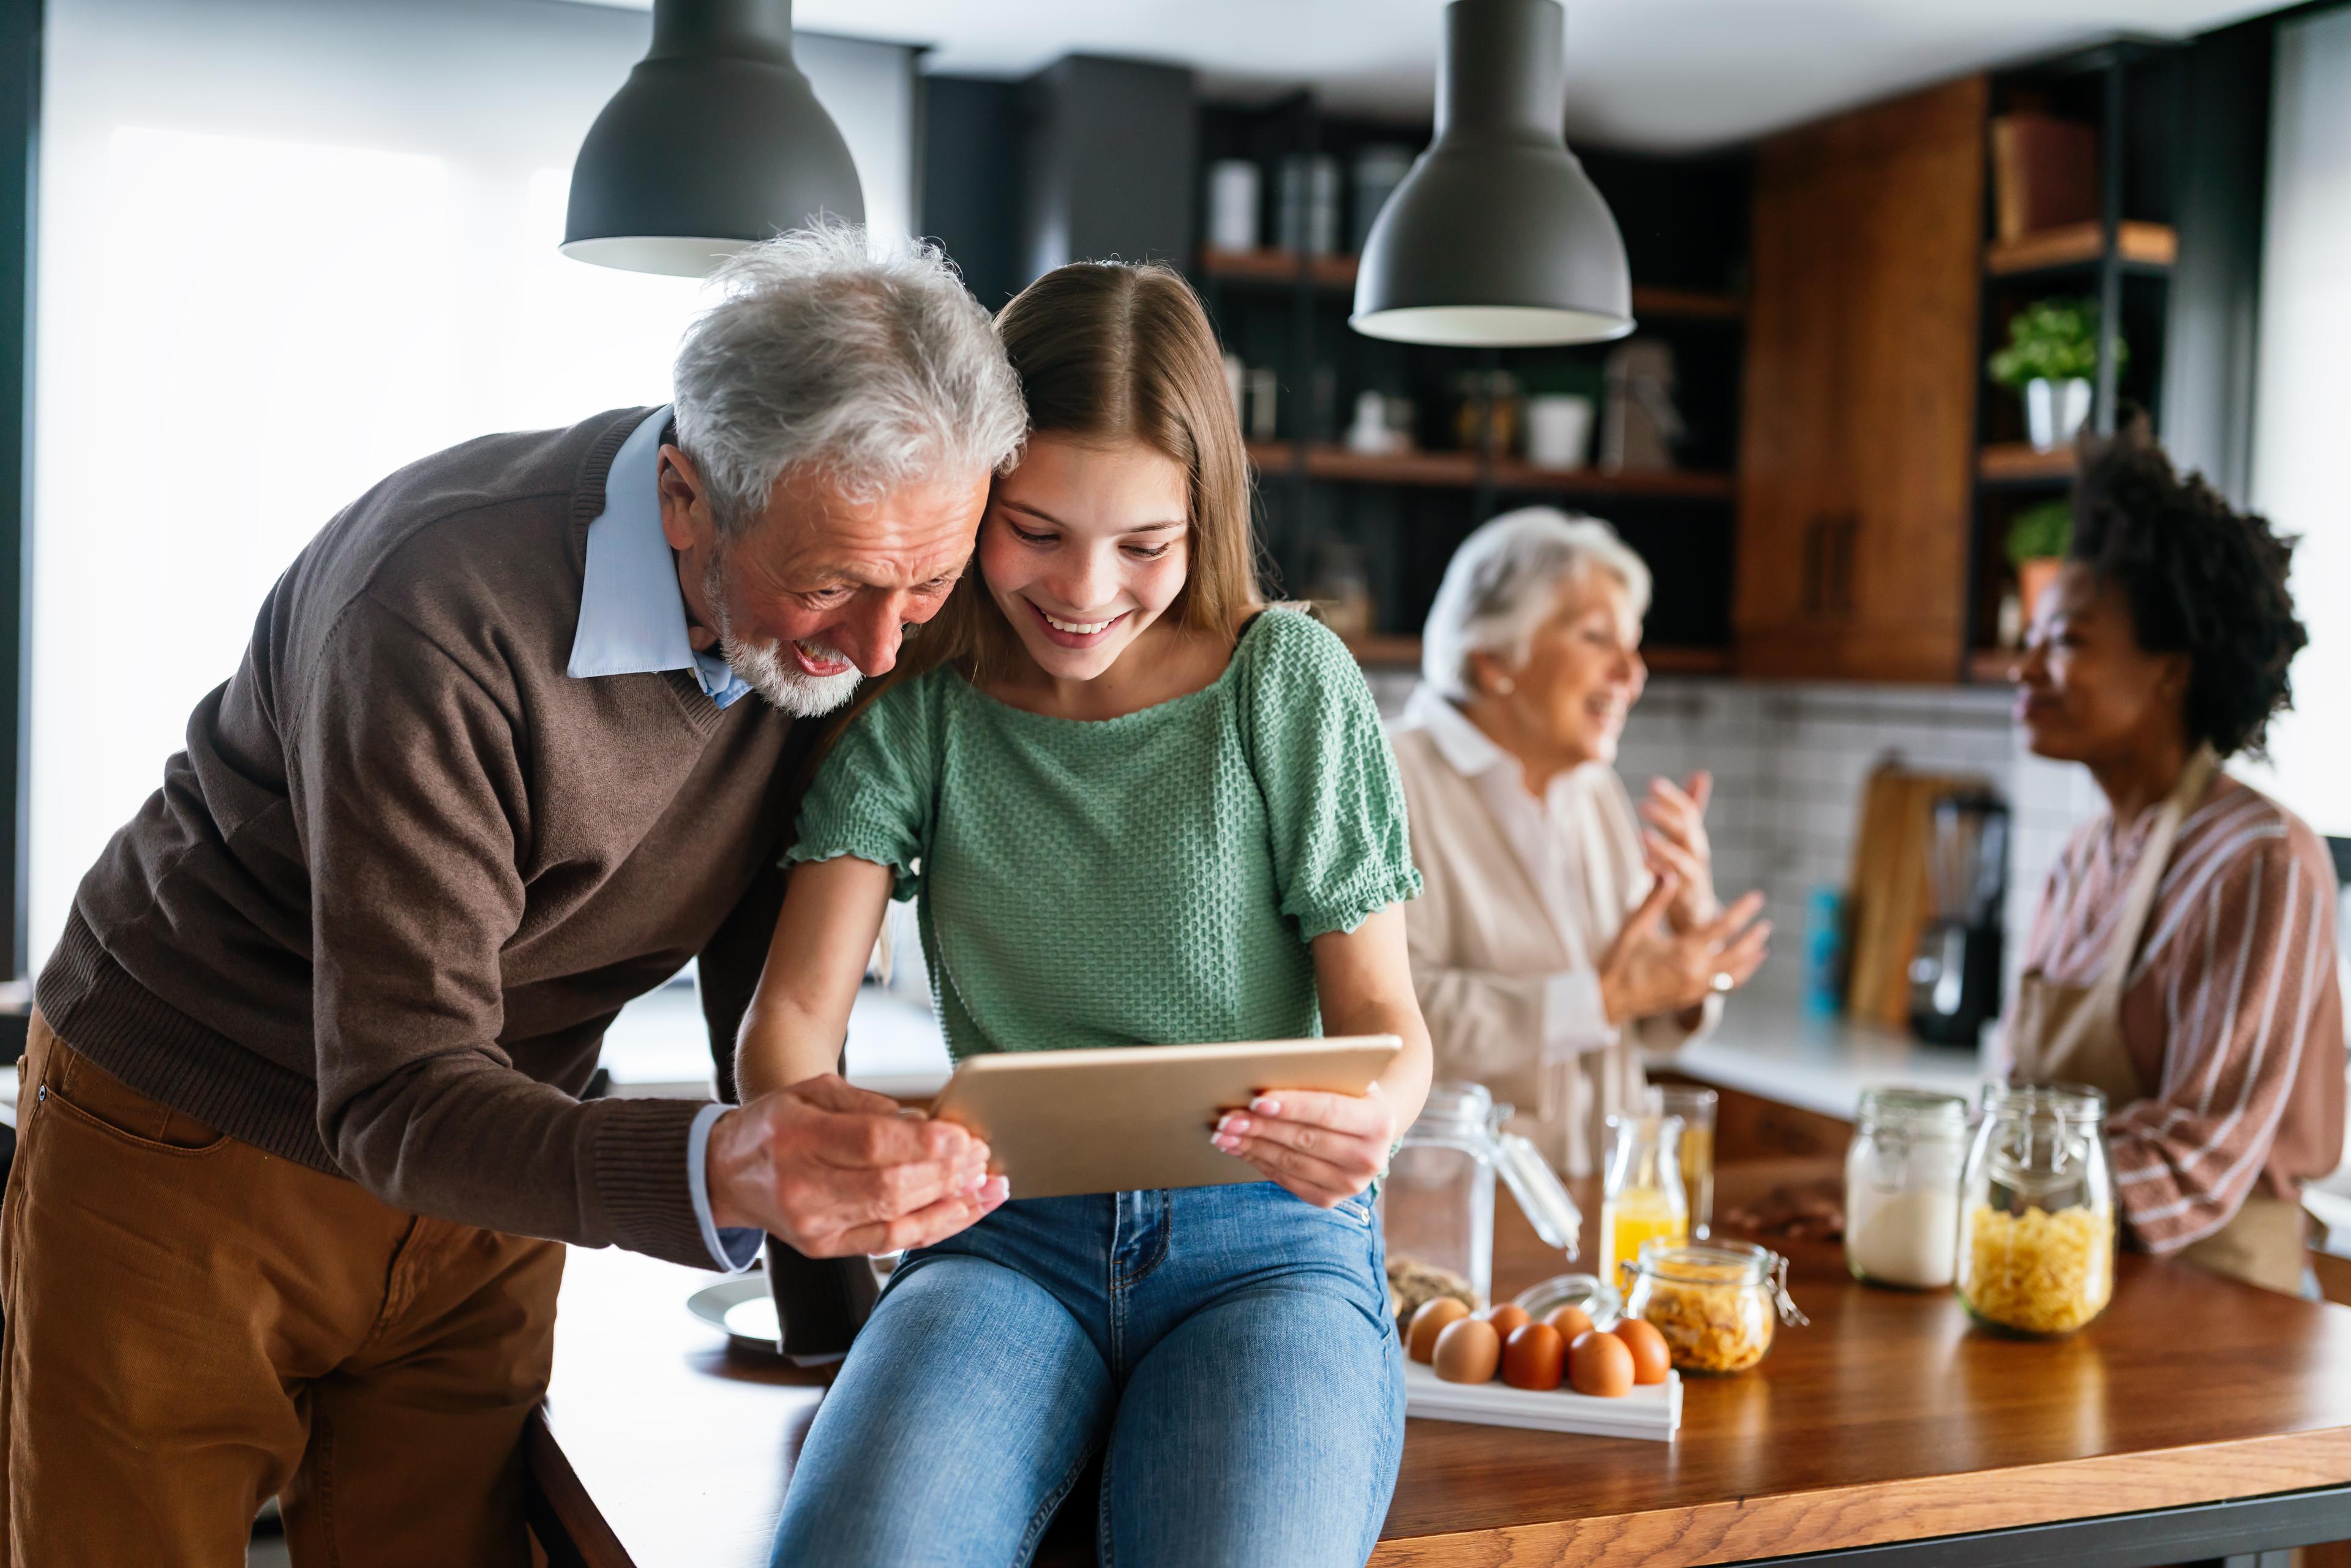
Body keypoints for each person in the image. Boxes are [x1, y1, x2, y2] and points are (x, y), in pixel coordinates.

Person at [0, 226, 1027, 1566]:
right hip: (197, 1127)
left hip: (493, 1146)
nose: (883, 645)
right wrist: (721, 1161)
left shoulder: (860, 596)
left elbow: (764, 944)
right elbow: (389, 1086)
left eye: (929, 584)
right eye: (831, 584)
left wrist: (828, 1298)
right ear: (684, 494)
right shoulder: (436, 607)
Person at [739, 261, 1430, 1568]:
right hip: (1002, 1234)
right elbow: (789, 1021)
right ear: (974, 496)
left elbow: (1389, 1019)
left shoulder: (1287, 684)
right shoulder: (925, 706)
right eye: (1037, 529)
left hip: (1269, 1246)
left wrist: (1374, 1117)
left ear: (1203, 511)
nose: (1086, 589)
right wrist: (819, 1139)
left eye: (1144, 545)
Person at [2006, 432, 2344, 1295]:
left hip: (2219, 1315)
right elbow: (2020, 1103)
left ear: (2171, 671)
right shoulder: (2084, 857)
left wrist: (1965, 1188)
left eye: (2068, 643)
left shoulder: (2260, 861)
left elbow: (2197, 1153)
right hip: (2066, 1284)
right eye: (2033, 637)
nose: (2026, 668)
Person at [1390, 509, 1769, 1176]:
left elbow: (1636, 1014)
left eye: (1634, 643)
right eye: (1597, 637)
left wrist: (1686, 957)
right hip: (1461, 1210)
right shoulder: (1389, 777)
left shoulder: (1591, 788)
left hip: (1603, 1196)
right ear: (1494, 659)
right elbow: (1392, 1017)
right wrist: (1603, 997)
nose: (1633, 672)